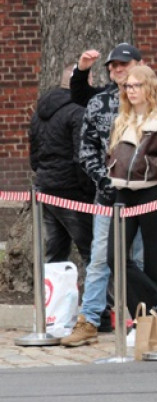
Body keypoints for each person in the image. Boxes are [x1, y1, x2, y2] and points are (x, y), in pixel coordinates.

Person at [62, 43, 146, 347]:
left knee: (137, 259)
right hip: (108, 196)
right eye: (113, 66)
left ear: (139, 64)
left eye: (123, 65)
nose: (117, 70)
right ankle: (90, 320)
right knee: (99, 259)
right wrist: (105, 180)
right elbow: (86, 150)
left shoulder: (155, 99)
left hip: (143, 195)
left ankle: (144, 318)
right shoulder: (100, 103)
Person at [106, 64, 157, 312]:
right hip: (123, 191)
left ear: (149, 87)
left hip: (151, 190)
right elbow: (111, 153)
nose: (131, 91)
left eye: (137, 85)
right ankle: (152, 306)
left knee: (153, 254)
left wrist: (149, 166)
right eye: (127, 86)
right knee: (116, 257)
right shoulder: (122, 120)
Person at [29, 63, 94, 264]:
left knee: (55, 253)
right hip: (72, 191)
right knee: (93, 252)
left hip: (46, 187)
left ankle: (53, 295)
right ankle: (104, 296)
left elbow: (34, 156)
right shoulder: (78, 112)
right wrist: (88, 190)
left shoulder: (39, 113)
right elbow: (81, 157)